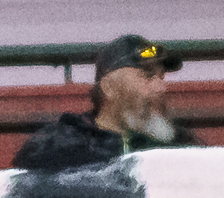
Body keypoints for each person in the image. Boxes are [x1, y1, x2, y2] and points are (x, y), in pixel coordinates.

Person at [12, 34, 200, 174]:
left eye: (161, 77)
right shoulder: (62, 145)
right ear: (109, 88)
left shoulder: (180, 144)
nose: (160, 87)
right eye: (148, 77)